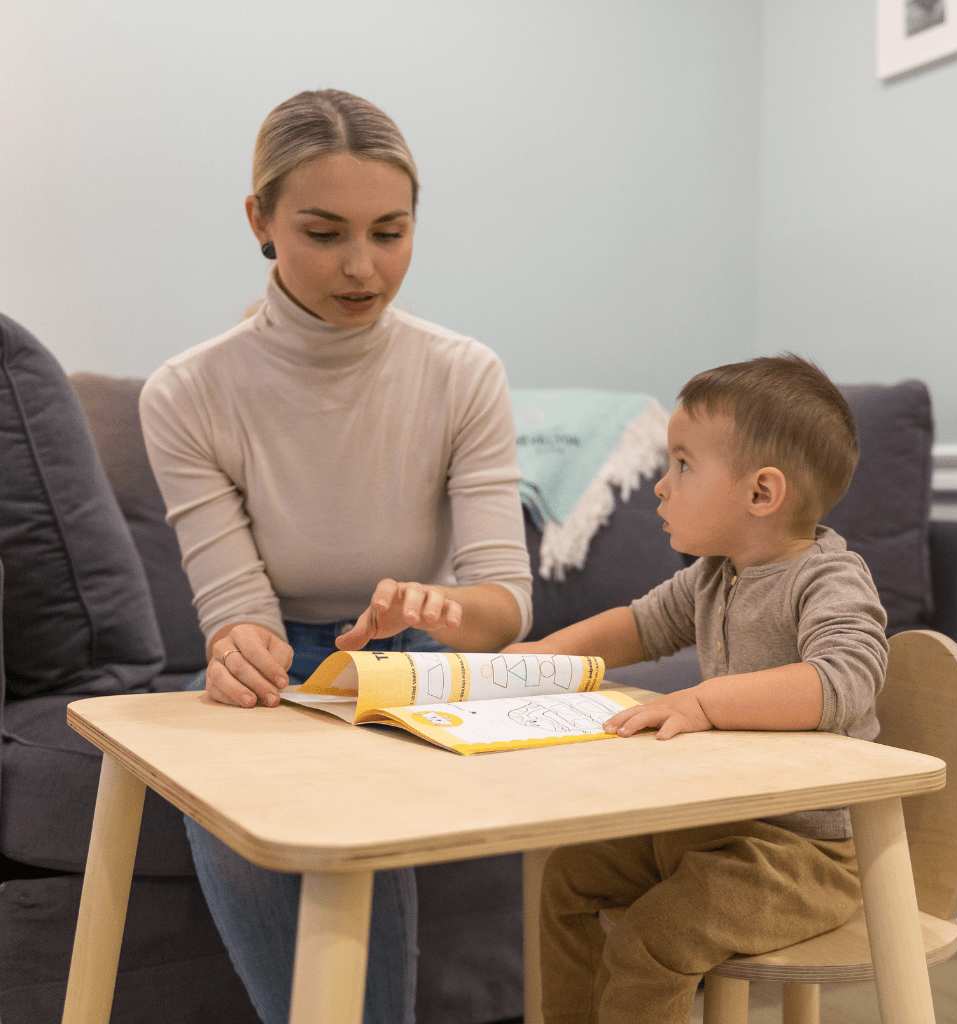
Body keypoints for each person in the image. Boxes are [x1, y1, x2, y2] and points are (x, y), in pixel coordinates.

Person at [140, 89, 533, 1024]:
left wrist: (441, 611)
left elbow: (504, 602)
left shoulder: (463, 373)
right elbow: (236, 602)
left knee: (368, 783)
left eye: (390, 232)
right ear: (261, 222)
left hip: (419, 661)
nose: (363, 268)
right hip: (284, 667)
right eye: (324, 233)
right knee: (236, 792)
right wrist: (241, 645)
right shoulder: (187, 394)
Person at [504, 354, 888, 1023]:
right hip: (717, 830)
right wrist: (538, 655)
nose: (660, 485)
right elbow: (637, 625)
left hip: (809, 857)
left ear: (761, 494)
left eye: (682, 464)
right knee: (567, 879)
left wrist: (706, 701)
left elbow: (842, 680)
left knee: (658, 934)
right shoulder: (713, 575)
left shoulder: (830, 578)